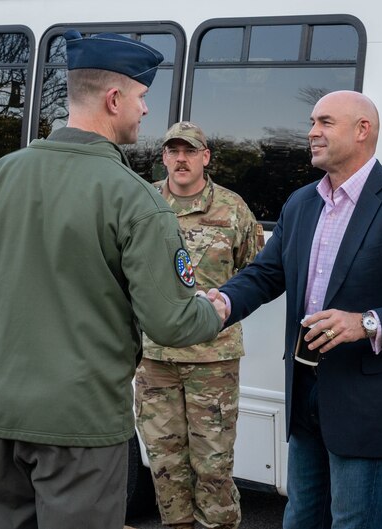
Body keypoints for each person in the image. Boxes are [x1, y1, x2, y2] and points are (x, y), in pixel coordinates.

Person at [0, 30, 226, 529]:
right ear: (114, 99)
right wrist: (214, 310)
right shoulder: (137, 200)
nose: (145, 110)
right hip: (81, 429)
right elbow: (171, 321)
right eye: (141, 97)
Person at [208, 90, 382, 529]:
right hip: (305, 388)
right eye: (312, 122)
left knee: (354, 521)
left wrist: (366, 323)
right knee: (301, 515)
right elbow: (267, 274)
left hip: (366, 401)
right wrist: (224, 300)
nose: (311, 133)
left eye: (325, 122)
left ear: (362, 130)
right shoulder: (302, 202)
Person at [135, 121, 263, 529]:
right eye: (173, 151)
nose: (181, 159)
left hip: (213, 361)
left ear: (205, 157)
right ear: (164, 158)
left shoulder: (232, 208)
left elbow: (256, 275)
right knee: (166, 465)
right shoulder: (142, 202)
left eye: (190, 151)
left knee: (213, 468)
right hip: (155, 359)